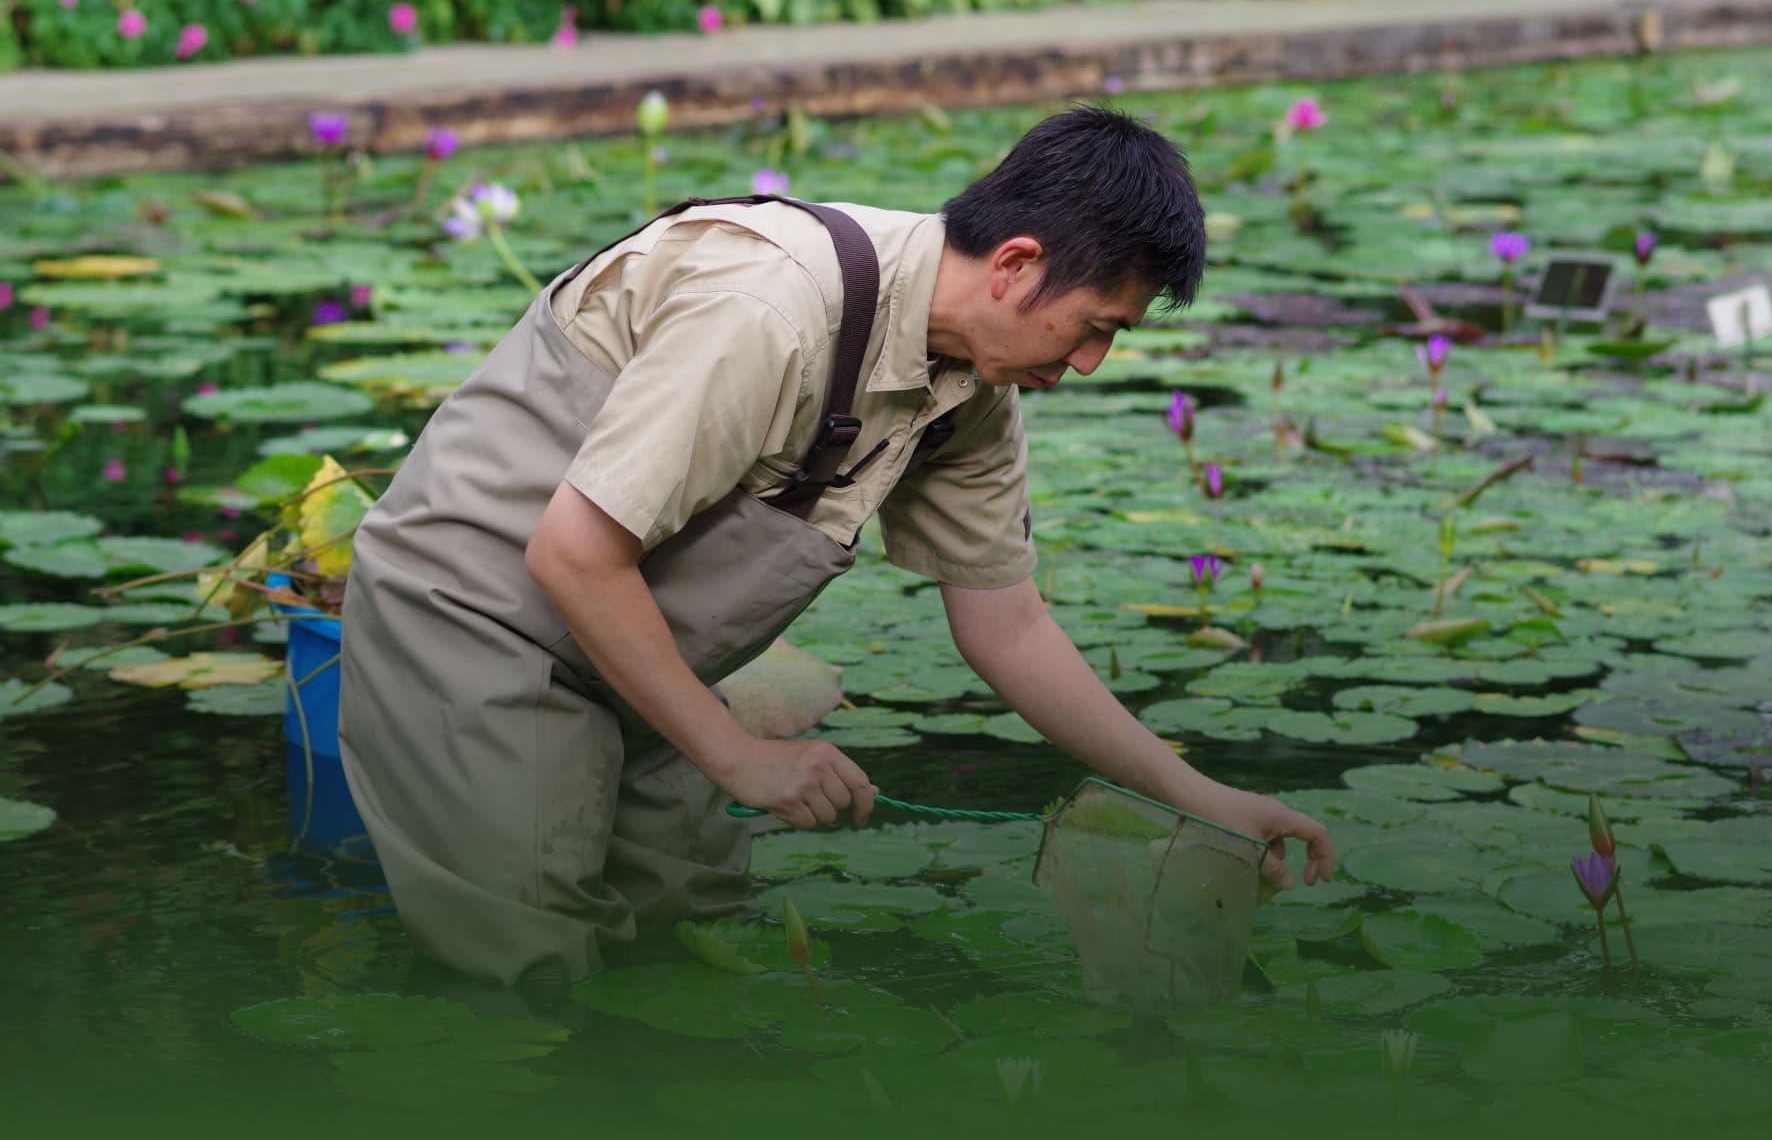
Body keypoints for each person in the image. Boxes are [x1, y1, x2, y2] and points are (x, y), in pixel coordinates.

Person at [338, 105, 1334, 987]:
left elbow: (1010, 625)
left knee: (690, 939)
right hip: (478, 622)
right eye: (1092, 327)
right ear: (1017, 264)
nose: (1089, 361)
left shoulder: (973, 395)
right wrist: (738, 754)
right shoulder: (769, 310)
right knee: (531, 975)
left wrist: (1202, 798)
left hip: (634, 655)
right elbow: (572, 555)